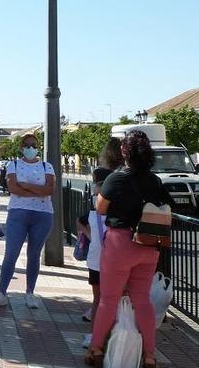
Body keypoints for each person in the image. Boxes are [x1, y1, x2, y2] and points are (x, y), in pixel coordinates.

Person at [87, 131, 172, 368]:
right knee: (142, 300)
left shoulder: (117, 178)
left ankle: (95, 349)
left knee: (108, 299)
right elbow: (166, 205)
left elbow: (101, 208)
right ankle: (149, 355)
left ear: (124, 151)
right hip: (148, 245)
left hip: (120, 244)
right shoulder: (155, 180)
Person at [0, 133, 56, 309]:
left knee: (34, 254)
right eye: (27, 145)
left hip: (43, 214)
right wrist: (37, 190)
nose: (30, 149)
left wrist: (24, 186)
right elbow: (12, 187)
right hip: (18, 213)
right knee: (11, 253)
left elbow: (50, 189)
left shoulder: (46, 166)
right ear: (21, 147)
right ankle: (1, 292)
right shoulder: (14, 165)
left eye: (34, 145)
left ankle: (30, 292)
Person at [79, 137, 123, 348]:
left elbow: (89, 234)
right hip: (116, 260)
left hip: (96, 261)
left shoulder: (93, 215)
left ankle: (94, 337)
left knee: (98, 300)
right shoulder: (118, 216)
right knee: (116, 299)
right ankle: (112, 337)